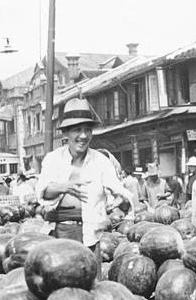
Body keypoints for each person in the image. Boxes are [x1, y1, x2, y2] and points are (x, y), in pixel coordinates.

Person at [36, 98, 133, 249]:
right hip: (59, 233)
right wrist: (63, 187)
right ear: (65, 132)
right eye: (77, 130)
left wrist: (122, 202)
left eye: (87, 130)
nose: (83, 136)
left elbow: (120, 193)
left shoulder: (101, 161)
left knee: (90, 271)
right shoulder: (53, 159)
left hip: (91, 236)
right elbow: (43, 193)